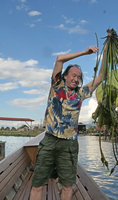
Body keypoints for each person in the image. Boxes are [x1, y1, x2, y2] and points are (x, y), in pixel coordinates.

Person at [30, 44, 107, 200]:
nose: (76, 79)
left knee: (67, 185)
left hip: (69, 145)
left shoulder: (81, 93)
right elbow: (59, 59)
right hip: (50, 141)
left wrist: (105, 53)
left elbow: (100, 77)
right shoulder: (56, 86)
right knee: (38, 183)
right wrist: (85, 52)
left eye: (78, 77)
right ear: (65, 76)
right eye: (73, 75)